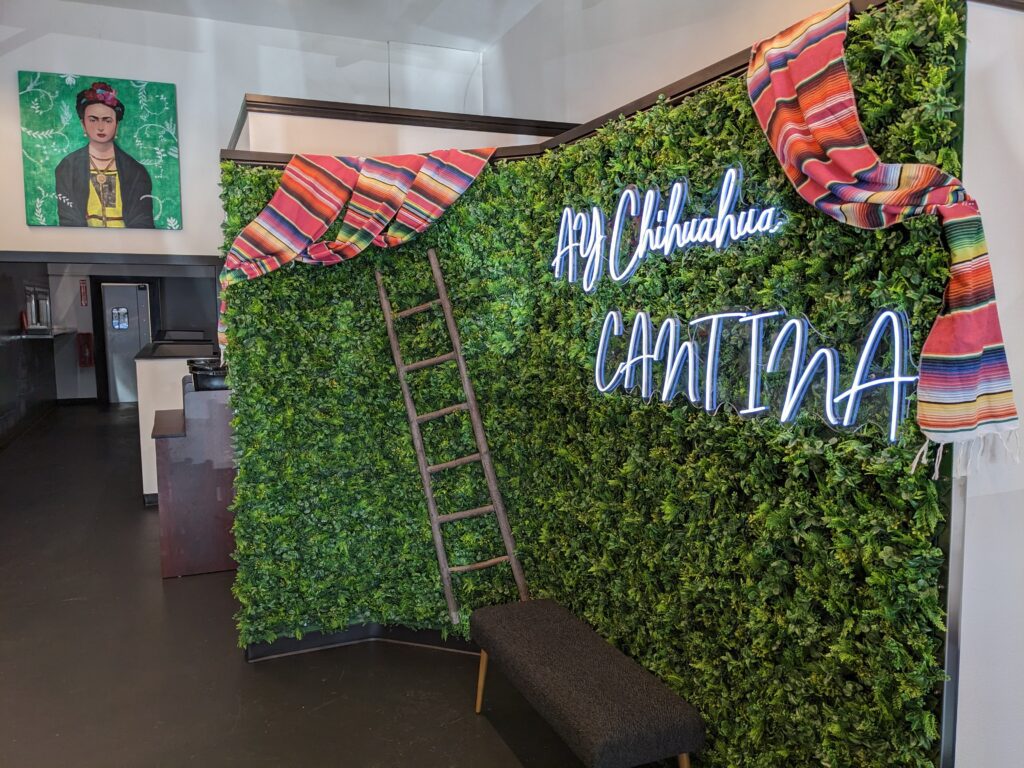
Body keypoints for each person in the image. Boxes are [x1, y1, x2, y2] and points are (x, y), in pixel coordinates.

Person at [54, 82, 154, 228]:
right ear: (83, 124)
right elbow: (68, 220)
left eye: (107, 120)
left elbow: (143, 221)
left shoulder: (136, 171)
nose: (100, 127)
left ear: (116, 125)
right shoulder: (68, 167)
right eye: (93, 120)